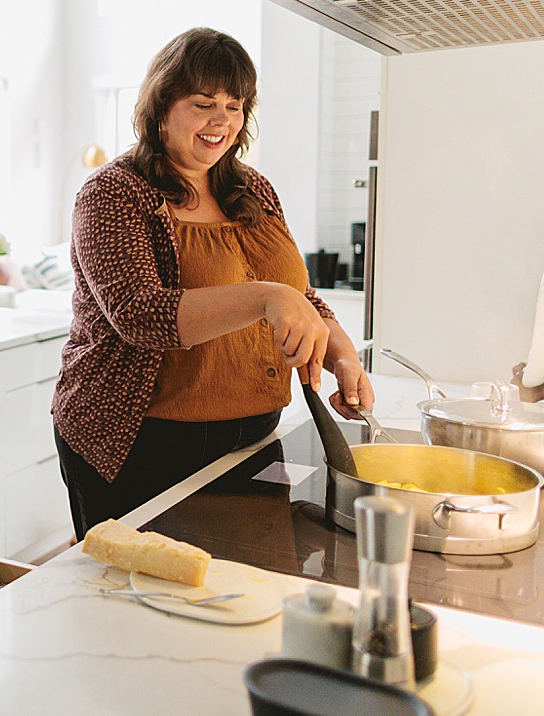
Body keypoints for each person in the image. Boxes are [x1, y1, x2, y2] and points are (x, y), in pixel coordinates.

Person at [52, 27, 374, 539]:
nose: (221, 120)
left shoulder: (254, 188)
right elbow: (140, 314)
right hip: (140, 445)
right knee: (140, 586)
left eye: (234, 105)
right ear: (161, 108)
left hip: (251, 439)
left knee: (241, 581)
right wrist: (268, 297)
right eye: (203, 104)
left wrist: (343, 357)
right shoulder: (113, 192)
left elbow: (298, 294)